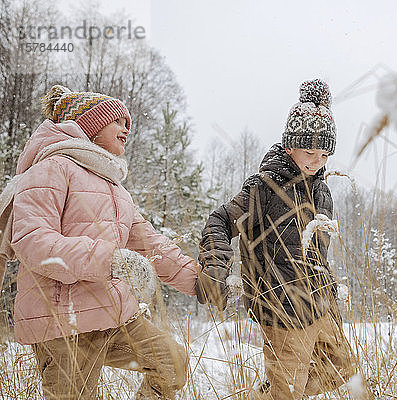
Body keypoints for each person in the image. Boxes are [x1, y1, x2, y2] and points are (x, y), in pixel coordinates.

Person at [7, 85, 202, 399]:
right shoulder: (50, 168)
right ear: (92, 124)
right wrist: (111, 260)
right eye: (119, 121)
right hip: (62, 323)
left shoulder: (115, 188)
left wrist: (200, 282)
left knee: (171, 362)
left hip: (114, 315)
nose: (127, 128)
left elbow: (148, 243)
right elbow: (34, 242)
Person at [195, 79, 356, 399]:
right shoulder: (264, 188)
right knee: (288, 393)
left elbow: (317, 256)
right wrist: (215, 264)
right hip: (281, 308)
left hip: (320, 305)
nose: (316, 161)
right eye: (309, 151)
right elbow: (220, 220)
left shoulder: (323, 194)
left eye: (325, 154)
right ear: (289, 146)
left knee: (342, 367)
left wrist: (332, 298)